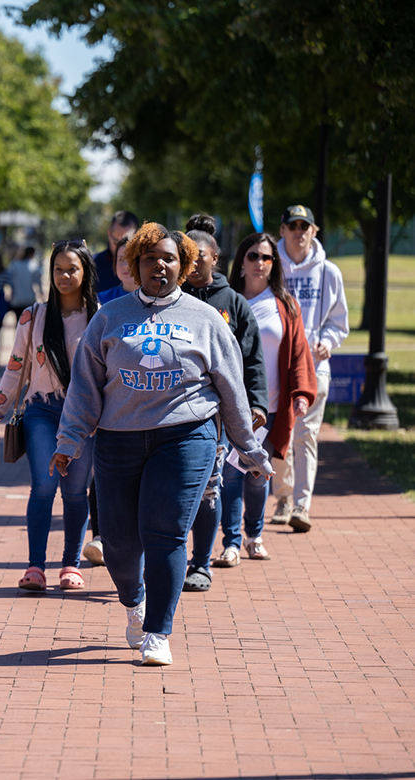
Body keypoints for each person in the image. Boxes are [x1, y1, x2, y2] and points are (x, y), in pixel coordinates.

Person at [52, 222, 272, 666]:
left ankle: (158, 631)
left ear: (185, 265)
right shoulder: (109, 317)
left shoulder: (206, 319)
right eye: (150, 258)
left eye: (170, 258)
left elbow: (231, 390)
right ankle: (133, 602)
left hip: (185, 436)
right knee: (116, 541)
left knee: (166, 532)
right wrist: (70, 439)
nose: (160, 265)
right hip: (119, 439)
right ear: (135, 265)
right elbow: (85, 386)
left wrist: (250, 451)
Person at [0, 240, 98, 591]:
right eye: (58, 269)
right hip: (41, 410)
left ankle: (71, 565)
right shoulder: (34, 316)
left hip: (85, 417)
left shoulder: (100, 316)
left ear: (85, 271)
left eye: (72, 269)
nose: (64, 276)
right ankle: (35, 567)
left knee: (75, 493)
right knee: (44, 486)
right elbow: (15, 368)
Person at [179, 215, 268, 592]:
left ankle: (200, 564)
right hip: (175, 413)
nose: (194, 263)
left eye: (201, 256)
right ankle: (166, 557)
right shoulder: (172, 299)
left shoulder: (232, 303)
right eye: (187, 256)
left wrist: (257, 404)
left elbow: (253, 360)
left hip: (216, 416)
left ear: (216, 258)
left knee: (210, 487)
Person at [217, 233, 316, 565]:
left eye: (267, 258)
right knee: (230, 475)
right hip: (231, 407)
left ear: (274, 265)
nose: (259, 263)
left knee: (258, 474)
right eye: (252, 256)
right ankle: (231, 542)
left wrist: (301, 394)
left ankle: (254, 535)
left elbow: (300, 353)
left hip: (269, 408)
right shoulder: (227, 302)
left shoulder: (284, 305)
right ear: (241, 263)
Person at [271, 205, 348, 532]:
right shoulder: (270, 266)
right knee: (279, 430)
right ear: (283, 231)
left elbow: (338, 321)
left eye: (305, 226)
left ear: (314, 231)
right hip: (277, 365)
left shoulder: (328, 272)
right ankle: (283, 498)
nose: (299, 231)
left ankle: (302, 504)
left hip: (315, 366)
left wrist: (327, 343)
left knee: (306, 434)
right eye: (293, 226)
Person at [83, 231, 140, 567]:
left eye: (132, 259)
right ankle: (102, 536)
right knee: (102, 477)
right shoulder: (101, 304)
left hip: (150, 410)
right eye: (120, 259)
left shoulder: (167, 303)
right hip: (110, 408)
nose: (126, 266)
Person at [91, 210, 139, 295]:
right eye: (117, 242)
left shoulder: (146, 266)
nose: (122, 247)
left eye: (129, 242)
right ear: (109, 234)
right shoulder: (92, 264)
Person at [8, 246, 42, 322]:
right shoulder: (34, 265)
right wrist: (41, 294)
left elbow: (9, 278)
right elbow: (38, 282)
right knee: (28, 324)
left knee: (18, 322)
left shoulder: (15, 264)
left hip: (16, 299)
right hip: (29, 299)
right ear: (32, 254)